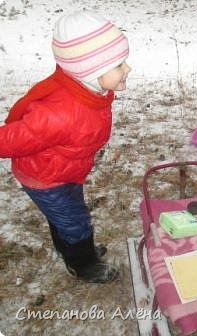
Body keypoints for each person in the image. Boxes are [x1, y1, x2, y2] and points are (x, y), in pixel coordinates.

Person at [0, 11, 131, 283]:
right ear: (90, 70)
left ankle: (72, 247)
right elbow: (10, 139)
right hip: (44, 178)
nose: (127, 69)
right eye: (119, 65)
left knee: (68, 216)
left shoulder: (91, 91)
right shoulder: (58, 113)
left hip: (66, 171)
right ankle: (83, 264)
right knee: (75, 222)